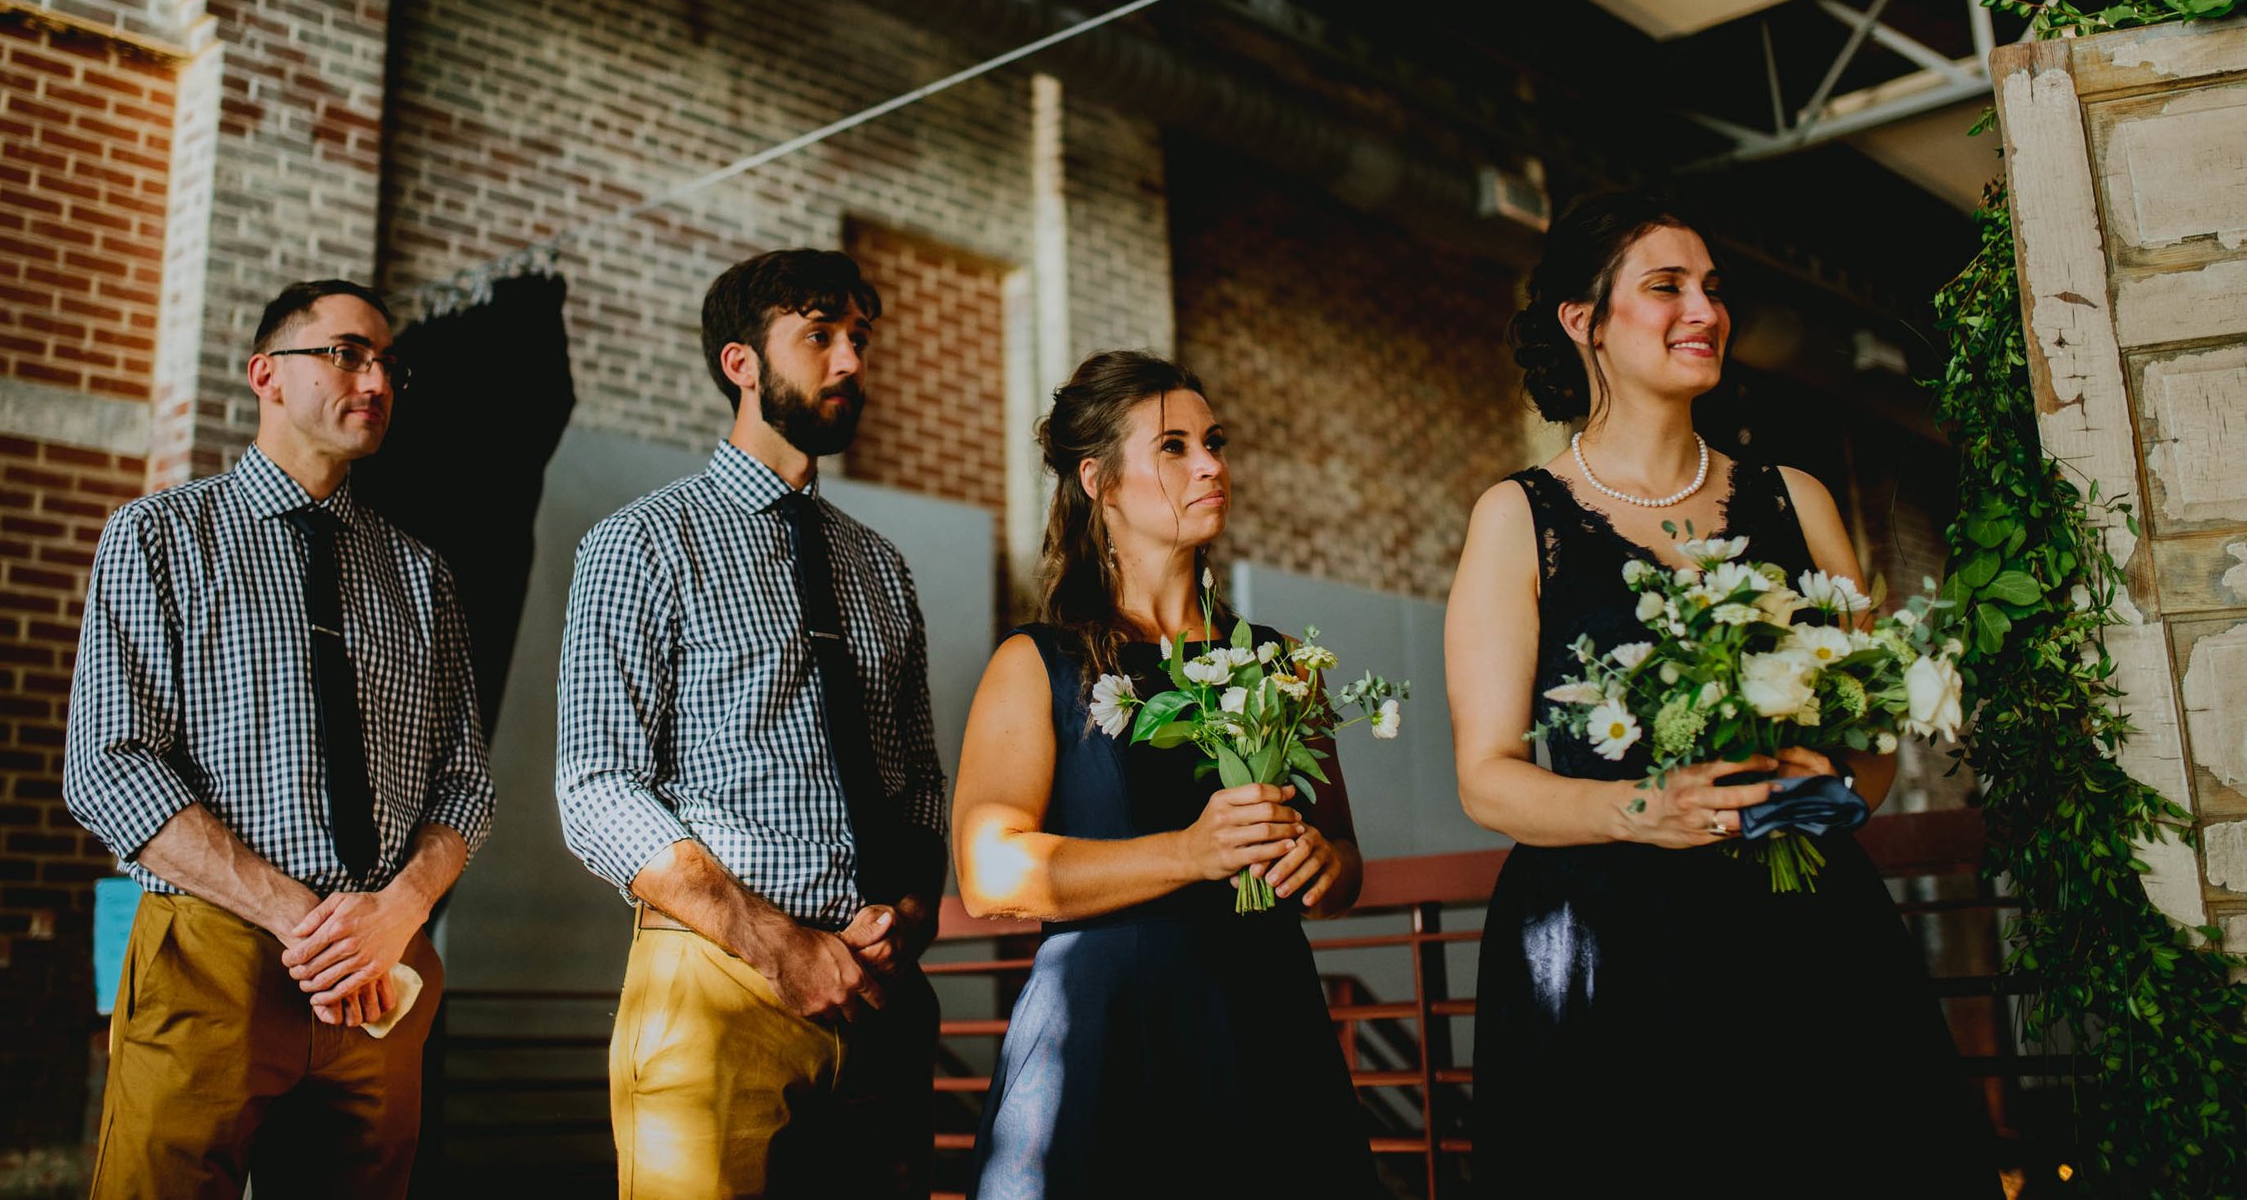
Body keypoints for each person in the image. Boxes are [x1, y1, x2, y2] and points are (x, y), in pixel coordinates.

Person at [1442, 193, 1995, 1197]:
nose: (1703, 308)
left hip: (1804, 937)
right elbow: (1485, 779)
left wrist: (1825, 775)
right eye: (1665, 287)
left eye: (1711, 288)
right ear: (1584, 320)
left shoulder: (1799, 499)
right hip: (1607, 950)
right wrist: (1646, 810)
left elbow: (1871, 743)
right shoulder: (1517, 519)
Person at [63, 278, 495, 1198]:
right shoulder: (161, 536)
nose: (376, 379)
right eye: (347, 352)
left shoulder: (421, 574)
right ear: (267, 373)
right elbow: (108, 764)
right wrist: (297, 916)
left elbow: (466, 782)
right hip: (212, 953)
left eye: (388, 364)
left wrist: (398, 910)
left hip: (384, 968)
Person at [558, 248, 948, 1200]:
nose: (852, 359)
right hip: (717, 986)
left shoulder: (880, 568)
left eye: (859, 337)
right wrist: (777, 941)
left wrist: (908, 910)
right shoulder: (641, 542)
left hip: (878, 999)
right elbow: (596, 788)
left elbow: (916, 783)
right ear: (741, 362)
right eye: (820, 336)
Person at [952, 351, 1380, 1200]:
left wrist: (1324, 868)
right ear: (1101, 482)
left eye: (1213, 441)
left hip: (1267, 1029)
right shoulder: (1037, 662)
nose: (1213, 464)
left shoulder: (1284, 662)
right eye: (1175, 446)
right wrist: (1191, 852)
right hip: (1107, 1036)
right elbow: (989, 874)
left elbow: (1343, 861)